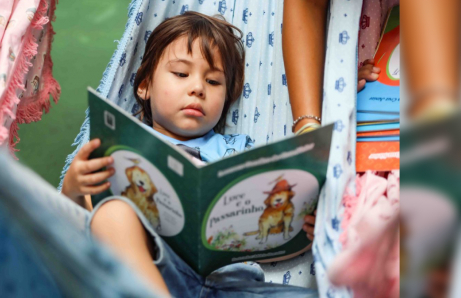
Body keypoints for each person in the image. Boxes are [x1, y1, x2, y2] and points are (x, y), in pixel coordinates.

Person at [61, 12, 318, 297]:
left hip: (235, 285)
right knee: (112, 213)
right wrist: (72, 190)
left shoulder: (239, 150)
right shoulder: (121, 144)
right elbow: (77, 231)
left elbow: (266, 238)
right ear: (144, 85)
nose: (197, 88)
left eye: (213, 82)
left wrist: (302, 229)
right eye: (181, 74)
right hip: (157, 275)